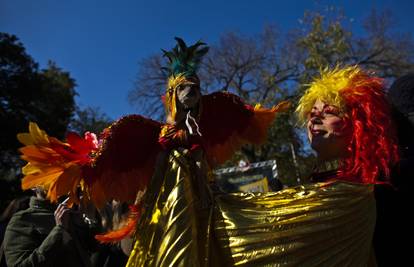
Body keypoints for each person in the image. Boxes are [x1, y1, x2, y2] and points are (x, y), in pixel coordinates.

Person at [2, 187, 94, 267]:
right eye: (45, 173)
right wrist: (59, 230)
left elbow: (93, 251)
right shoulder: (23, 219)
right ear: (33, 186)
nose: (52, 179)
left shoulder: (70, 214)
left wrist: (85, 221)